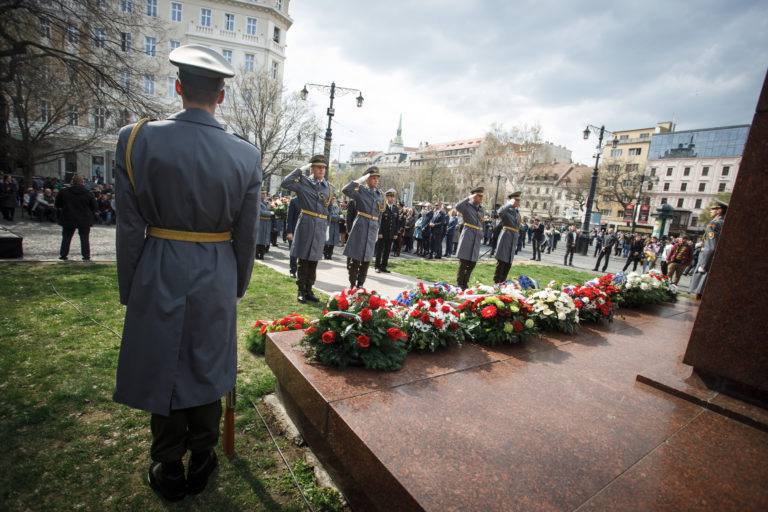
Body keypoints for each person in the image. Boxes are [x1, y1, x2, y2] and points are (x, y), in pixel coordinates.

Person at [113, 45, 262, 502]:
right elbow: (247, 233)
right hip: (216, 267)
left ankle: (168, 462)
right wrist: (235, 285)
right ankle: (203, 455)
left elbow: (129, 225)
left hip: (157, 261)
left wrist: (131, 287)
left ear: (178, 88)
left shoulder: (136, 138)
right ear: (222, 96)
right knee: (207, 361)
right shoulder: (246, 154)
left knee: (163, 360)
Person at [280, 154, 333, 303]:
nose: (322, 170)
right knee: (303, 258)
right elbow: (285, 183)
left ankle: (310, 289)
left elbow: (328, 208)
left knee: (314, 259)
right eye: (318, 167)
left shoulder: (328, 187)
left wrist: (327, 226)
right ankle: (301, 290)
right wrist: (299, 170)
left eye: (323, 168)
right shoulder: (303, 182)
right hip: (307, 223)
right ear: (312, 169)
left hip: (321, 225)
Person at [343, 167, 384, 288]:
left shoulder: (380, 194)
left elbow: (380, 213)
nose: (376, 180)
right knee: (356, 256)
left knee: (366, 259)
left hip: (372, 228)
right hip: (361, 226)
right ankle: (352, 284)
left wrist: (377, 229)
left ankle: (361, 284)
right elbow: (346, 190)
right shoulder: (360, 189)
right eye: (373, 178)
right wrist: (359, 180)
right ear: (367, 179)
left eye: (377, 178)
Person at [690, 200, 727, 299]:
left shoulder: (714, 223)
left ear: (719, 211)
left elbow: (710, 247)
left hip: (707, 258)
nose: (711, 211)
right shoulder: (724, 222)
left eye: (713, 209)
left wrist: (703, 264)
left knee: (701, 287)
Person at [55, 175, 97, 261]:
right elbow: (94, 207)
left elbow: (57, 204)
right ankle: (86, 255)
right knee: (84, 238)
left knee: (66, 237)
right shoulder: (88, 193)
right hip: (84, 218)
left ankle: (63, 254)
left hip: (68, 217)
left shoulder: (64, 192)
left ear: (72, 182)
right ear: (82, 182)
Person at [455, 187, 486, 290]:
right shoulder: (466, 206)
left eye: (482, 196)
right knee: (464, 261)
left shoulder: (480, 209)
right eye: (479, 196)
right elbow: (458, 206)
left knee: (472, 262)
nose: (481, 198)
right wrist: (468, 197)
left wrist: (482, 234)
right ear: (474, 196)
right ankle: (460, 283)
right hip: (468, 235)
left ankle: (465, 282)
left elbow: (481, 223)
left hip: (476, 237)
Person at [493, 191, 521, 284]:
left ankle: (503, 281)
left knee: (508, 262)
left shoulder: (516, 213)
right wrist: (508, 204)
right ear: (512, 201)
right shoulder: (507, 210)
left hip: (513, 239)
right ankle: (497, 282)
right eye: (517, 200)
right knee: (502, 260)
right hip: (506, 237)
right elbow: (499, 212)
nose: (518, 202)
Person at [375, 189, 398, 272]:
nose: (392, 198)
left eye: (393, 197)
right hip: (383, 233)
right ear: (387, 197)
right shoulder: (383, 207)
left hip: (391, 233)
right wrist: (379, 232)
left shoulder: (395, 208)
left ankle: (383, 266)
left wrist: (395, 233)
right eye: (390, 196)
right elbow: (379, 221)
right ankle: (377, 266)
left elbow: (396, 222)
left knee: (387, 251)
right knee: (380, 250)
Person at [254, 190, 273, 260]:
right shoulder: (257, 202)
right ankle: (256, 254)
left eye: (265, 194)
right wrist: (270, 213)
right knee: (258, 239)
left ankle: (262, 254)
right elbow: (261, 212)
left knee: (264, 239)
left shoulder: (267, 202)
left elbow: (271, 209)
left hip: (266, 222)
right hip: (260, 221)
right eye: (262, 194)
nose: (264, 195)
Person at [285, 195, 300, 278]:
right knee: (294, 252)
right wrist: (289, 232)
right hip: (294, 230)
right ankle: (293, 270)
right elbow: (289, 218)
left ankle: (301, 272)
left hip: (305, 231)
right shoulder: (294, 201)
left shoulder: (308, 200)